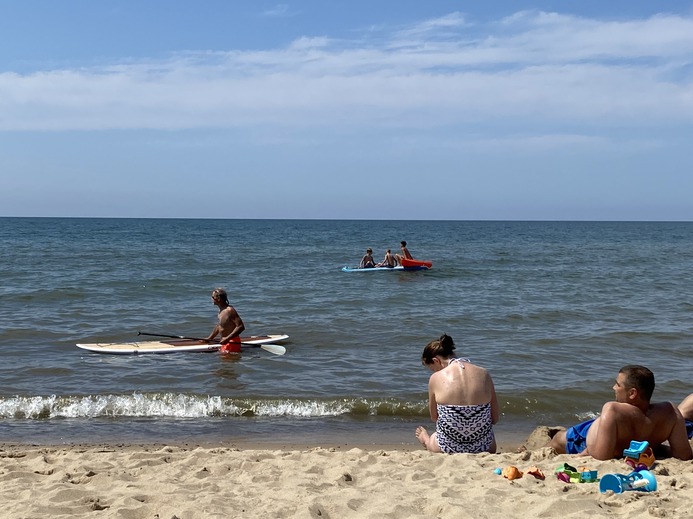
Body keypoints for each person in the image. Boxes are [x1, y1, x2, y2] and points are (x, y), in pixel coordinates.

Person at [550, 366, 692, 460]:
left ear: (632, 393)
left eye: (618, 384)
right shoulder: (670, 411)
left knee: (558, 438)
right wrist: (655, 448)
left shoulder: (613, 410)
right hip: (625, 437)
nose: (614, 387)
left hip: (585, 438)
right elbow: (683, 455)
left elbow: (601, 456)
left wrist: (586, 452)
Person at [415, 334, 500, 454]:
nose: (434, 372)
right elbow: (495, 418)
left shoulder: (435, 378)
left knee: (434, 437)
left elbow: (434, 417)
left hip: (446, 447)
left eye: (433, 368)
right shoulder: (484, 373)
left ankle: (426, 440)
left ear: (436, 360)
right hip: (485, 447)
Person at [206, 288, 246, 354]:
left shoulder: (229, 310)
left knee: (229, 362)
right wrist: (210, 338)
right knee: (223, 362)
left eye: (213, 297)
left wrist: (227, 338)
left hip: (232, 342)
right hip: (225, 341)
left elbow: (240, 326)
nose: (211, 299)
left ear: (219, 299)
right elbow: (219, 326)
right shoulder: (221, 311)